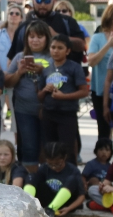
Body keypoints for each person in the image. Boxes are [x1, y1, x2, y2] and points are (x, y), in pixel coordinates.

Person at [5, 20, 51, 169]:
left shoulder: (53, 56)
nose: (35, 40)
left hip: (49, 110)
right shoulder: (19, 56)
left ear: (47, 38)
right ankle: (28, 181)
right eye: (31, 37)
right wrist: (19, 72)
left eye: (39, 36)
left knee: (47, 147)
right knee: (28, 147)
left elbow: (60, 80)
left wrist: (43, 71)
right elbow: (7, 82)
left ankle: (44, 183)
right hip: (24, 110)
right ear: (26, 39)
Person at [37, 34, 88, 164]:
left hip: (67, 114)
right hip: (49, 113)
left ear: (68, 51)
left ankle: (70, 176)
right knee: (49, 148)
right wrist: (44, 90)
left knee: (67, 149)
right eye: (53, 47)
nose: (55, 50)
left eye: (60, 48)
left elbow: (84, 91)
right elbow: (39, 96)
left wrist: (64, 96)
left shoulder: (74, 67)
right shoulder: (46, 69)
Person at [6, 0, 85, 64]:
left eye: (47, 1)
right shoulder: (23, 27)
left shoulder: (67, 22)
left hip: (63, 75)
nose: (42, 5)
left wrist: (57, 36)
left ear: (54, 1)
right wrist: (17, 74)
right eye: (39, 0)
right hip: (31, 75)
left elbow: (82, 45)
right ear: (33, 1)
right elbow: (11, 60)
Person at [87, 4, 113, 140]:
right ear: (110, 17)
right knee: (103, 131)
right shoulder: (98, 38)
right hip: (100, 90)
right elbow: (91, 61)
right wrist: (108, 44)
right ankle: (104, 159)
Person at [23, 142, 85, 217]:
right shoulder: (44, 168)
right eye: (50, 164)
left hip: (65, 203)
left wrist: (69, 208)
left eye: (58, 164)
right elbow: (35, 181)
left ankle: (51, 209)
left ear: (64, 158)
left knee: (72, 179)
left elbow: (81, 196)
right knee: (31, 176)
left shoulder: (73, 170)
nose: (54, 167)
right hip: (48, 199)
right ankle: (26, 205)